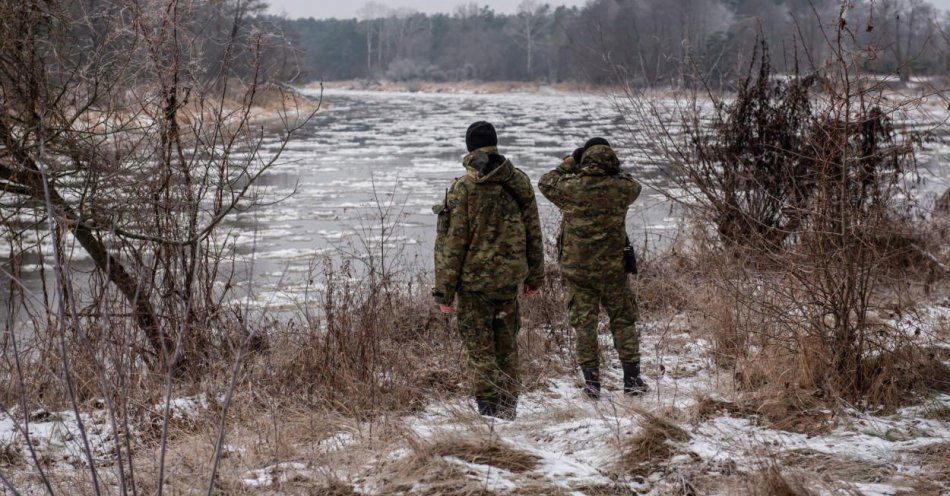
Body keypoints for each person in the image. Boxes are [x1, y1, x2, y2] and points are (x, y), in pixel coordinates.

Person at [432, 121, 544, 419]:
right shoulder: (518, 181)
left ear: (469, 147)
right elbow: (534, 231)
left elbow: (452, 245)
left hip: (474, 287)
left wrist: (444, 292)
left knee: (481, 352)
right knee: (507, 348)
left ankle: (489, 415)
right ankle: (507, 412)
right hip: (508, 283)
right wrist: (535, 277)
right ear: (495, 144)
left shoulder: (463, 189)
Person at [538, 137, 646, 399]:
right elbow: (634, 183)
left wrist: (570, 163)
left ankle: (592, 384)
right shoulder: (623, 188)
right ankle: (632, 380)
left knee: (585, 327)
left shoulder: (571, 188)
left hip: (580, 272)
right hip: (614, 270)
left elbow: (545, 182)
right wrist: (614, 167)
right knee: (623, 323)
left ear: (584, 160)